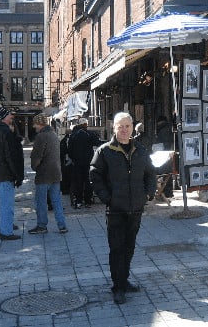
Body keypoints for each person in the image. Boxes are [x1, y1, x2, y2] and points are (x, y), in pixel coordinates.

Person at [90, 112, 156, 305]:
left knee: (129, 247)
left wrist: (148, 194)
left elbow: (151, 173)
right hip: (116, 209)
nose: (124, 130)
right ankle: (118, 287)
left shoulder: (140, 150)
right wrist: (107, 198)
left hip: (136, 208)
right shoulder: (105, 151)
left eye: (127, 126)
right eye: (120, 126)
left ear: (132, 127)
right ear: (114, 128)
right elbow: (95, 176)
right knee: (117, 248)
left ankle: (124, 280)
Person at [0, 106, 24, 240]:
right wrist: (17, 175)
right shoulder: (6, 133)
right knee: (6, 204)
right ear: (4, 117)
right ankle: (6, 232)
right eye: (9, 115)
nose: (11, 117)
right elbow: (10, 156)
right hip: (5, 174)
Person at [29, 114, 68, 234]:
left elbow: (37, 156)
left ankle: (41, 225)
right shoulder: (53, 135)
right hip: (56, 173)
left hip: (44, 173)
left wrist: (34, 166)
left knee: (41, 201)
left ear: (39, 123)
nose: (34, 126)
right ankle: (62, 225)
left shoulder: (41, 136)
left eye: (35, 124)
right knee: (56, 200)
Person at [67, 117, 104, 209]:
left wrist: (73, 158)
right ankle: (88, 201)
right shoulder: (89, 134)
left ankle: (78, 201)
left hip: (76, 163)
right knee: (88, 181)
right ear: (85, 125)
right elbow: (98, 143)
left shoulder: (73, 135)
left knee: (78, 182)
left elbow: (69, 150)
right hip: (88, 163)